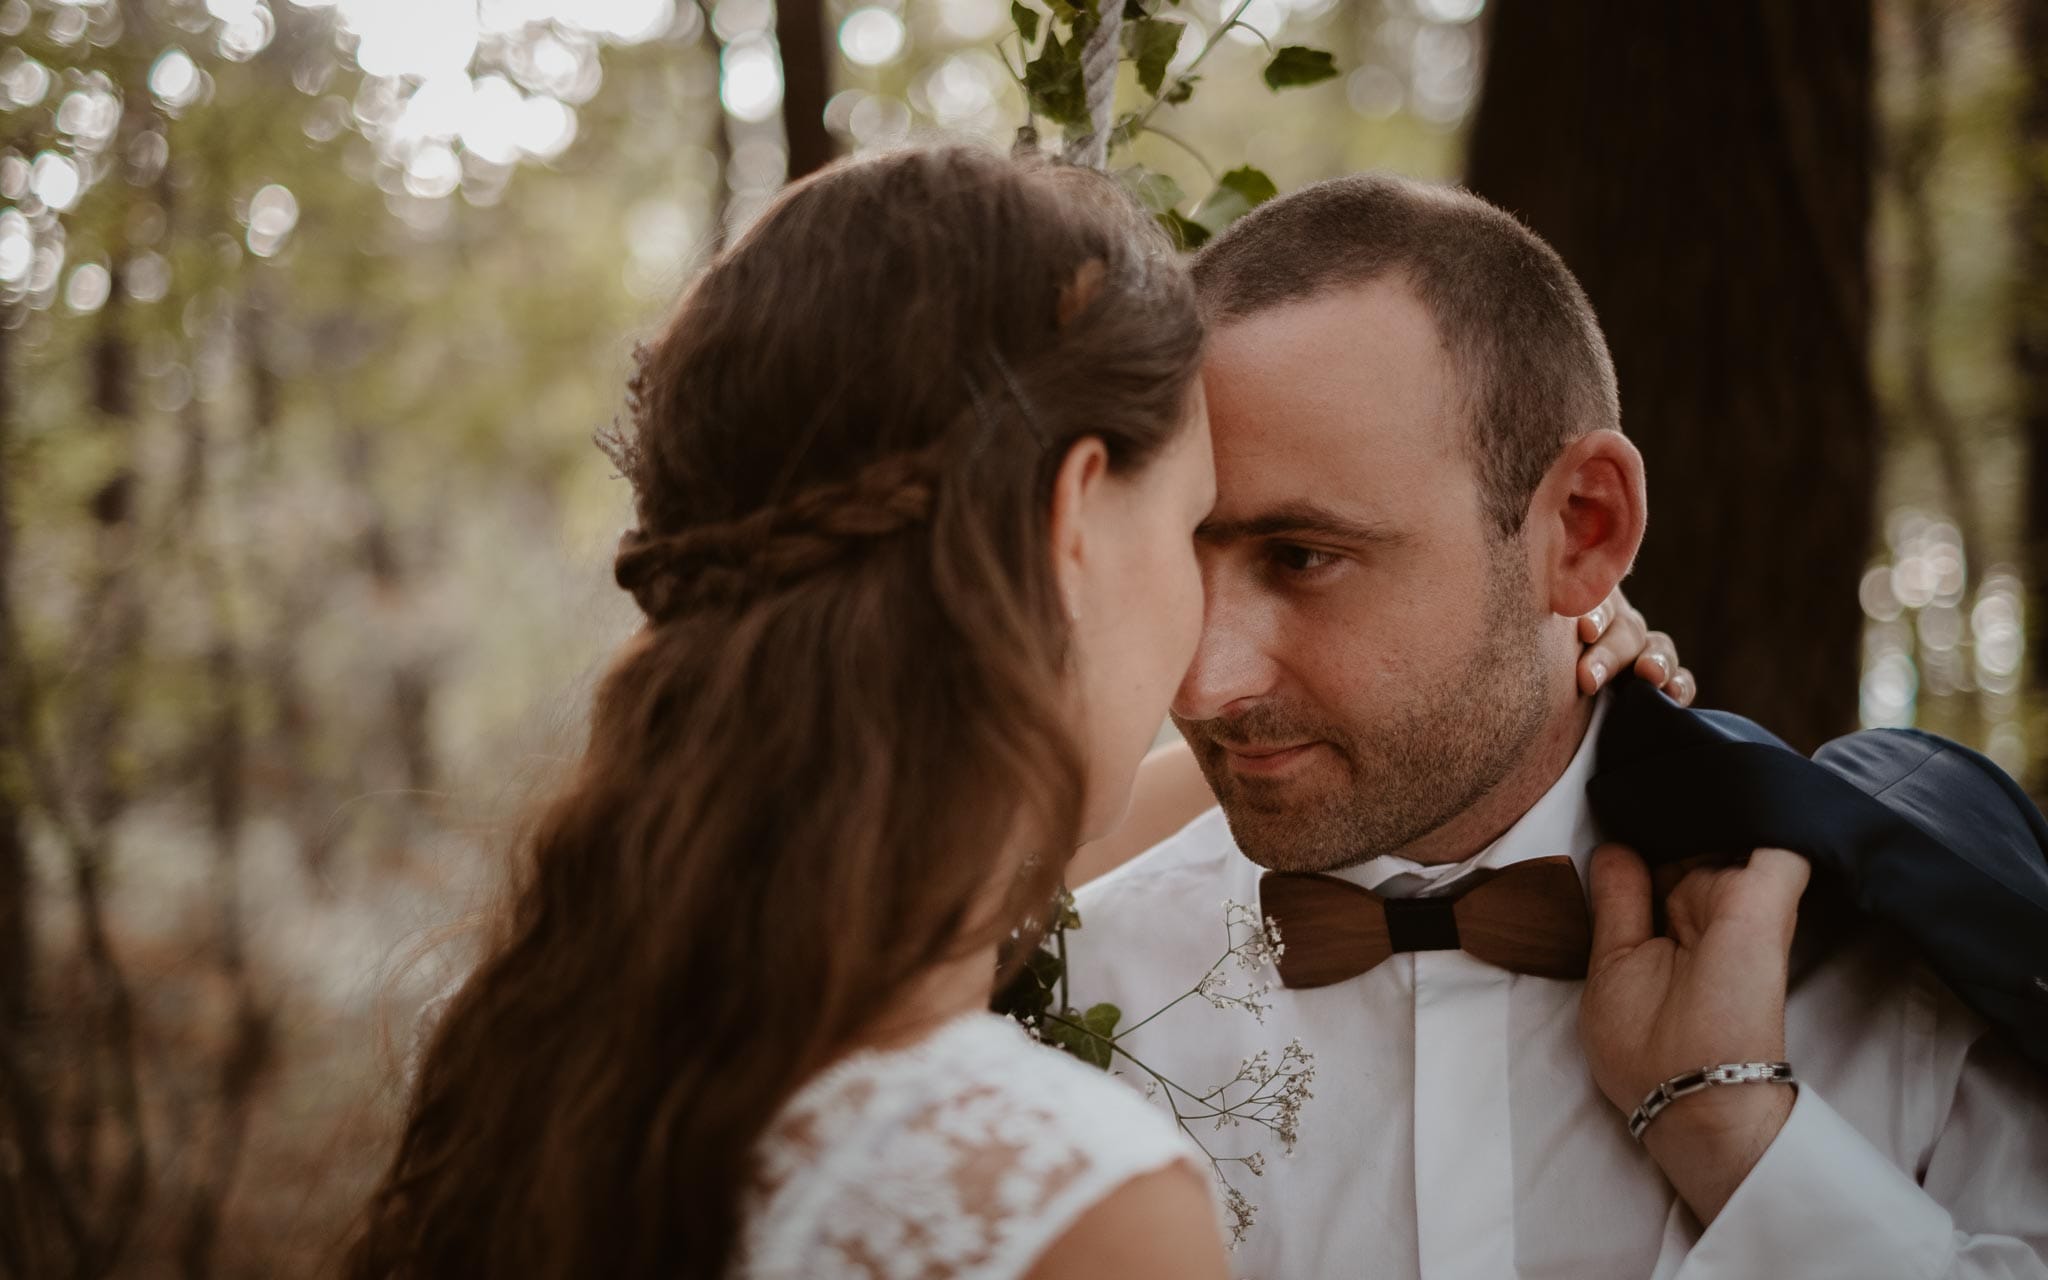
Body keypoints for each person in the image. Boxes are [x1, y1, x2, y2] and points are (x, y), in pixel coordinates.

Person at [343, 149, 1685, 1280]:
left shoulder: (569, 1048)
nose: (1210, 678)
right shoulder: (1080, 1203)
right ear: (1071, 528)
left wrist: (1537, 646)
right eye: (1189, 531)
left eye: (1299, 556)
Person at [1065, 172, 2048, 1278]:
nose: (1200, 682)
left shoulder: (1902, 971)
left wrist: (1748, 1147)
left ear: (1582, 528)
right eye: (1176, 556)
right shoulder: (1069, 1006)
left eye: (1301, 557)